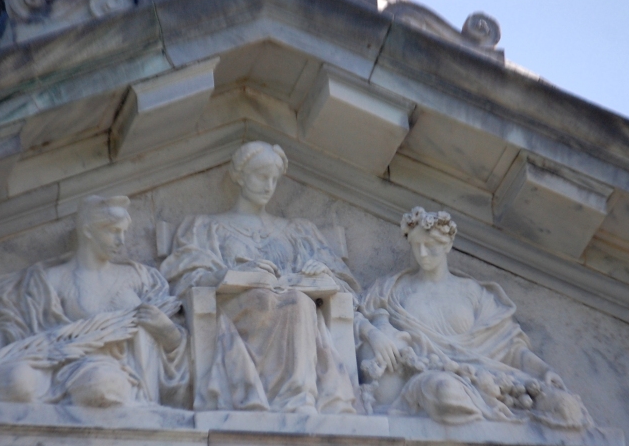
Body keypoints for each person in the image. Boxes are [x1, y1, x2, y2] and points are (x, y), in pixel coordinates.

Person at [160, 141, 358, 414]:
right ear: (238, 175)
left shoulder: (299, 231)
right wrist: (237, 274)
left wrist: (323, 273)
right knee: (268, 300)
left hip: (295, 310)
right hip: (236, 314)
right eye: (261, 176)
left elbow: (347, 287)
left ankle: (298, 398)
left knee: (298, 303)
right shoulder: (207, 227)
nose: (269, 186)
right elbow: (182, 280)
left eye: (275, 179)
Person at [356, 206, 592, 428]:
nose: (422, 253)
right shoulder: (391, 290)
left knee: (566, 408)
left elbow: (509, 347)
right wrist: (375, 334)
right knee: (446, 391)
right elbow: (355, 316)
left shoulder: (475, 293)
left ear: (448, 245)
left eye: (431, 245)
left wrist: (543, 371)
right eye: (416, 245)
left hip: (494, 379)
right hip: (432, 377)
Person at [0, 195, 190, 408]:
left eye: (123, 232)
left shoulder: (141, 279)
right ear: (88, 231)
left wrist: (166, 329)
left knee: (102, 385)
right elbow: (11, 327)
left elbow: (174, 344)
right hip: (47, 361)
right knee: (16, 381)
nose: (121, 241)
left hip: (105, 367)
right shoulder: (48, 280)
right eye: (113, 231)